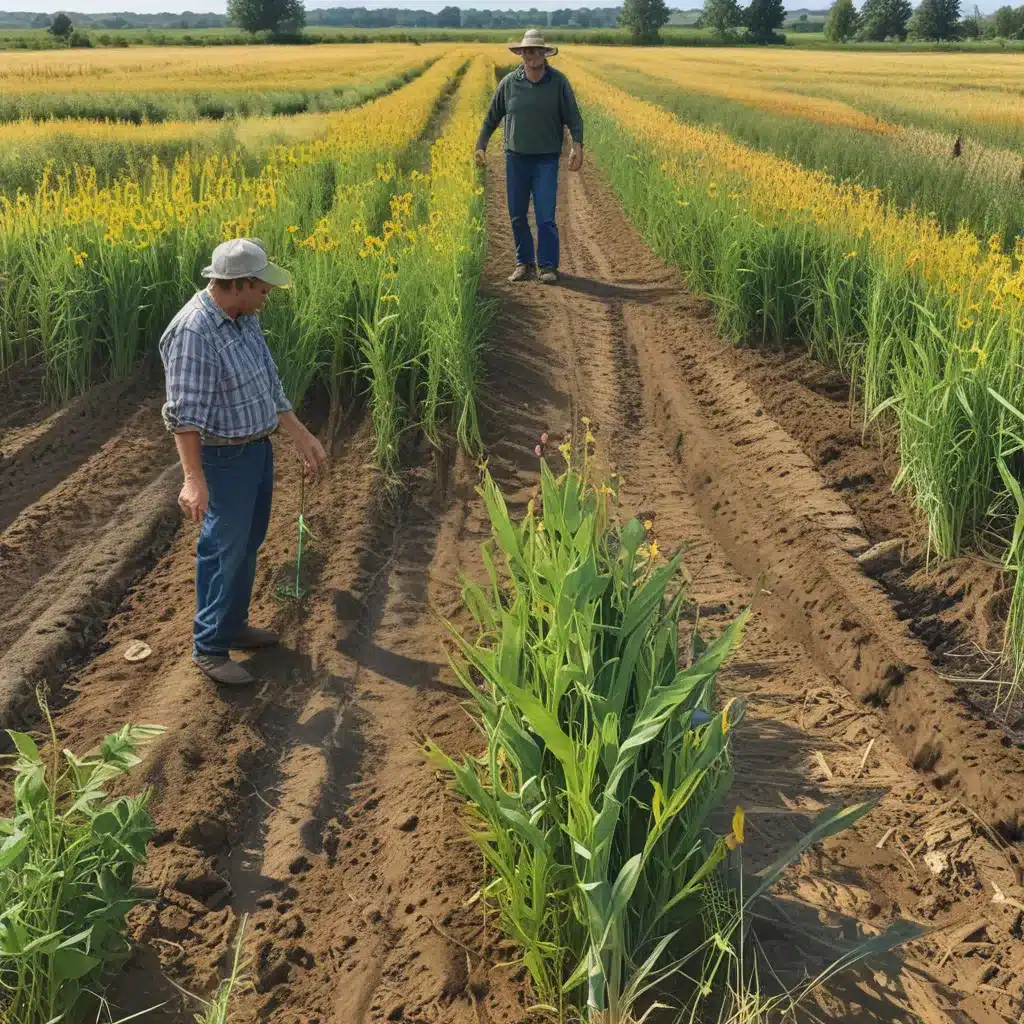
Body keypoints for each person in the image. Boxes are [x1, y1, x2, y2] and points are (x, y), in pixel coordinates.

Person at [159, 237, 329, 686]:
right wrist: (193, 478)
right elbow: (185, 416)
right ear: (239, 284)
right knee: (223, 550)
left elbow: (268, 385)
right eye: (263, 287)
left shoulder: (243, 318)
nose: (268, 295)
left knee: (248, 543)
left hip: (257, 449)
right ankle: (209, 647)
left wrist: (301, 435)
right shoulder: (194, 333)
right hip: (224, 458)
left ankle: (233, 624)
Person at [474, 28, 584, 285]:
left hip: (546, 159)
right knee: (517, 215)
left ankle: (547, 266)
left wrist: (577, 145)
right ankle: (524, 263)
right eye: (526, 51)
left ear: (545, 53)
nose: (531, 55)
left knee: (545, 216)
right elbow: (492, 117)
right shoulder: (509, 83)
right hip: (516, 158)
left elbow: (574, 117)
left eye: (535, 50)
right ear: (520, 54)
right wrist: (481, 145)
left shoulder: (559, 83)